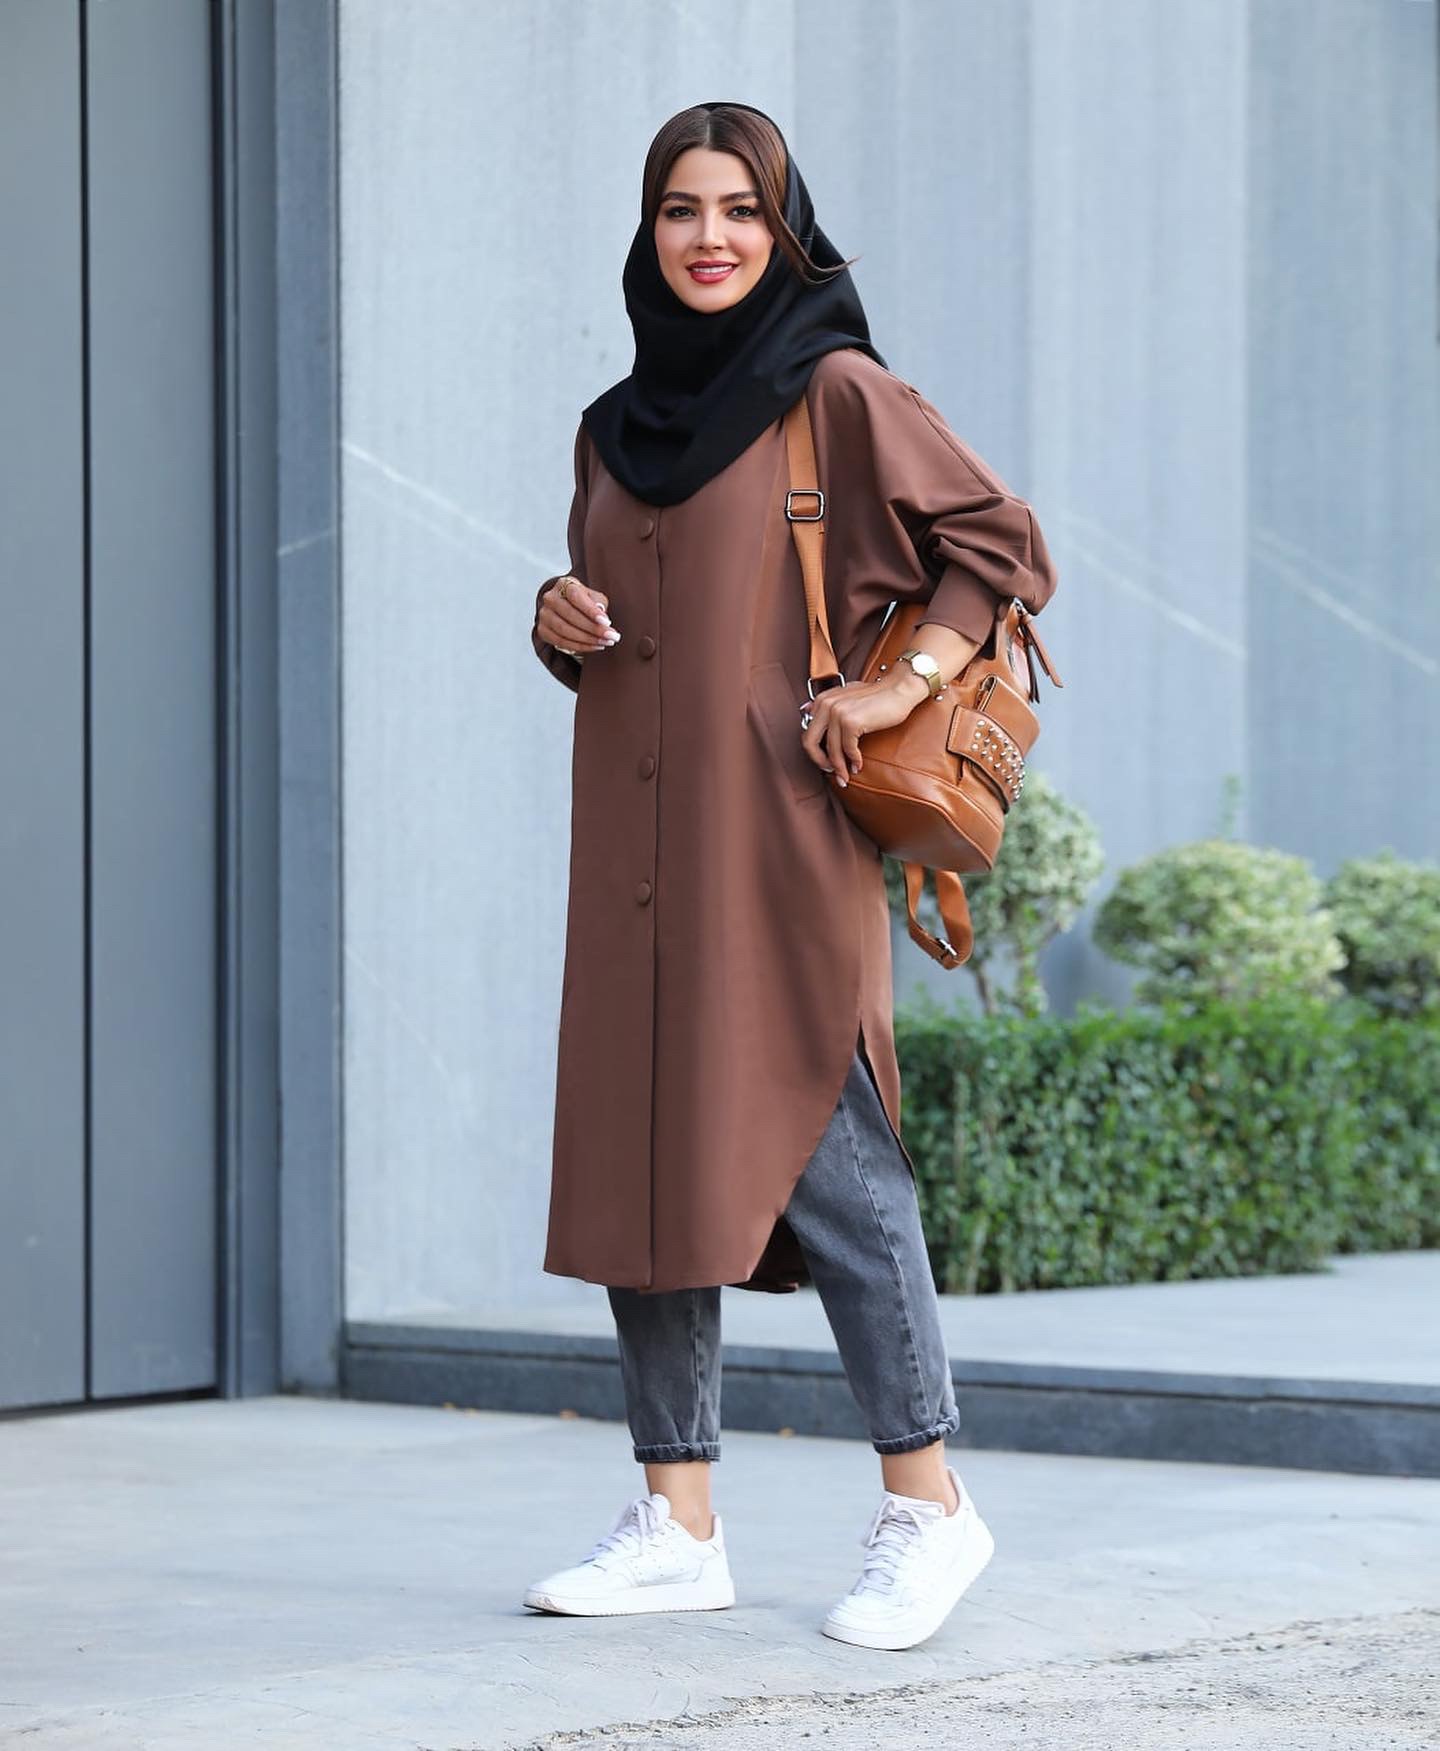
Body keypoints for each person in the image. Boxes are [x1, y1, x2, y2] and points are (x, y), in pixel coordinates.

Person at [524, 100, 1059, 1651]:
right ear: (649, 231)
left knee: (835, 1163)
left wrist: (904, 684)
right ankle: (677, 1523)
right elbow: (631, 613)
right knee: (643, 1157)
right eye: (682, 210)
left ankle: (929, 1508)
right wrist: (556, 612)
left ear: (788, 230)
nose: (710, 238)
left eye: (741, 210)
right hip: (631, 851)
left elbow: (999, 541)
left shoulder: (835, 390)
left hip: (778, 838)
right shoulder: (613, 426)